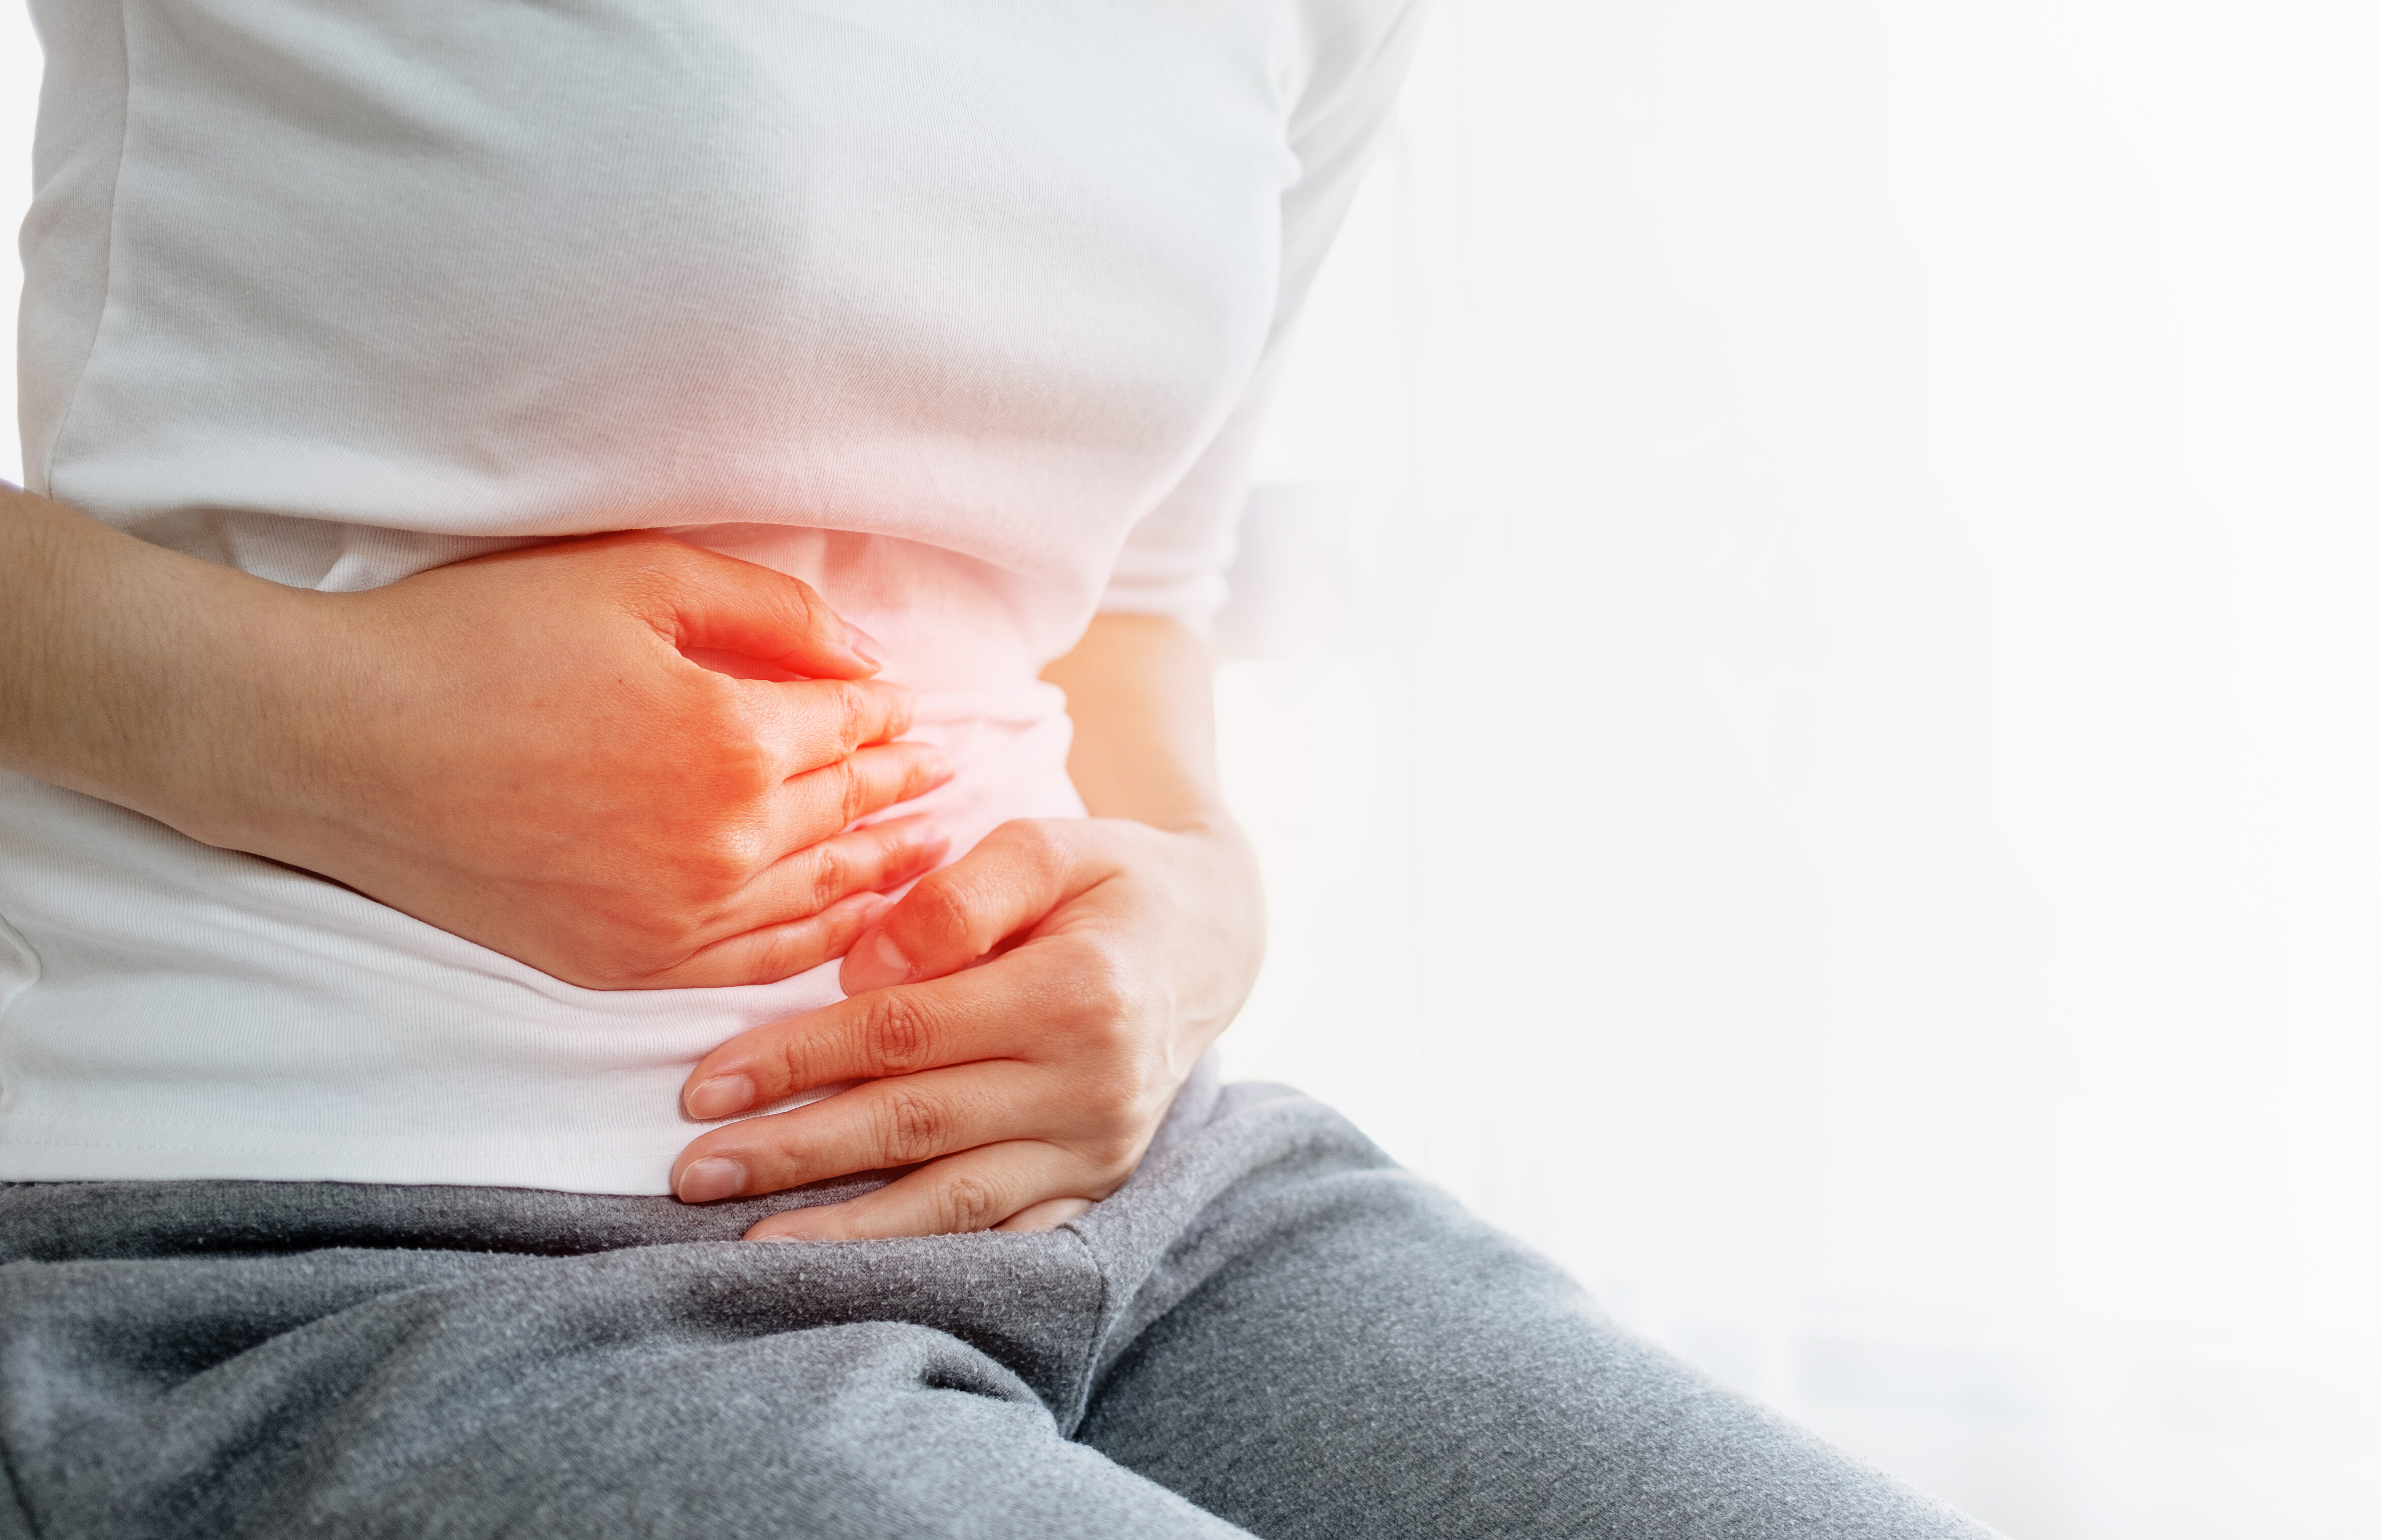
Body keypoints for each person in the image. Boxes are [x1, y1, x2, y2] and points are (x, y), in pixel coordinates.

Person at [0, 4, 1995, 1536]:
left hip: (1136, 1203)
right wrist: (301, 720)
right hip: (336, 1240)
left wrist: (1197, 909)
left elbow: (1129, 595)